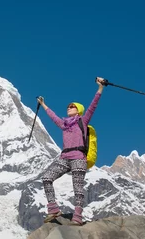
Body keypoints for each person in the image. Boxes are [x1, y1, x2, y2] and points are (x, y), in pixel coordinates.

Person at [37, 77, 105, 225]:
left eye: (72, 106)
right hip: (65, 157)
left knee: (78, 188)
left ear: (78, 110)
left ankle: (78, 217)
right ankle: (53, 209)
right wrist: (43, 104)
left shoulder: (83, 120)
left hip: (79, 158)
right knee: (46, 178)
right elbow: (53, 116)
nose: (69, 106)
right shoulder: (64, 125)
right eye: (68, 106)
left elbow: (93, 105)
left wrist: (100, 88)